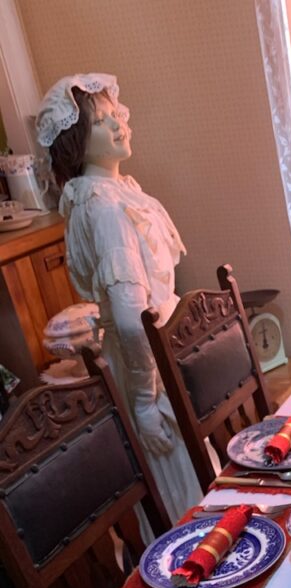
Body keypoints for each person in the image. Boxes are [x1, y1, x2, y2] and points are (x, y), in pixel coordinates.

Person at [36, 73, 201, 522]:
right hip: (146, 367)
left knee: (191, 479)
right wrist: (146, 403)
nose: (117, 124)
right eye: (99, 121)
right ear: (75, 141)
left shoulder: (114, 193)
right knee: (185, 495)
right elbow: (131, 319)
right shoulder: (104, 207)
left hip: (158, 355)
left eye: (115, 114)